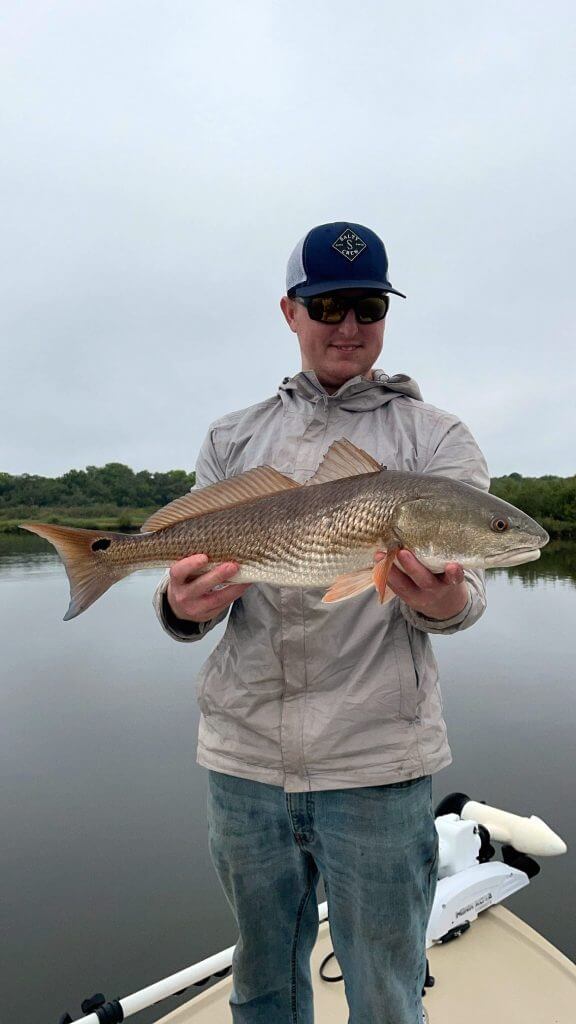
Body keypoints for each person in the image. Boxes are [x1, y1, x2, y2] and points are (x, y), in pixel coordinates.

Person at [154, 221, 490, 1024]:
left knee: (385, 988)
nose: (348, 327)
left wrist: (443, 599)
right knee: (262, 980)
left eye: (367, 307)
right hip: (242, 758)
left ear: (385, 315)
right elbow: (188, 584)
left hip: (377, 760)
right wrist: (177, 606)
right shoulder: (232, 437)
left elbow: (467, 592)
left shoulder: (435, 437)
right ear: (290, 312)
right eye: (328, 305)